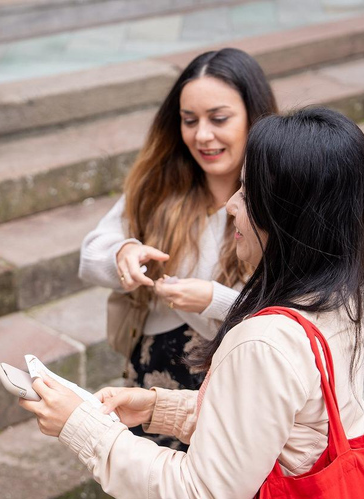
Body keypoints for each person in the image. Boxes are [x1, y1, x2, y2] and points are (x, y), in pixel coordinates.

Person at [21, 107, 364, 499]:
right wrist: (157, 408)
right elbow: (272, 425)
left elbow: (205, 496)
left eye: (248, 193)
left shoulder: (264, 342)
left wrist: (83, 428)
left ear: (288, 214)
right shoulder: (342, 299)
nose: (231, 205)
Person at [78, 48, 276, 448]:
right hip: (151, 382)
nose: (202, 135)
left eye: (219, 119)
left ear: (255, 118)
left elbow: (291, 309)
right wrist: (123, 254)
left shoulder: (276, 196)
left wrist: (214, 299)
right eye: (189, 120)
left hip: (234, 387)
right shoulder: (160, 186)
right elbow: (90, 256)